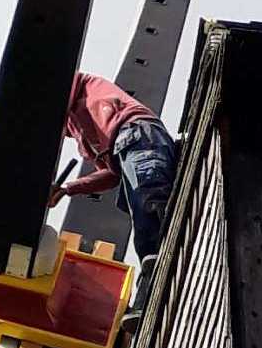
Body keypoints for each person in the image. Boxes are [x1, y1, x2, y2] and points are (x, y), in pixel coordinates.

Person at [49, 72, 177, 331]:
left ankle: (160, 269)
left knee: (149, 203)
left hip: (138, 135)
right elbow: (111, 174)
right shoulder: (83, 133)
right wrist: (67, 189)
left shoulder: (83, 89)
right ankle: (147, 302)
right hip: (127, 147)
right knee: (145, 236)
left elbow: (63, 76)